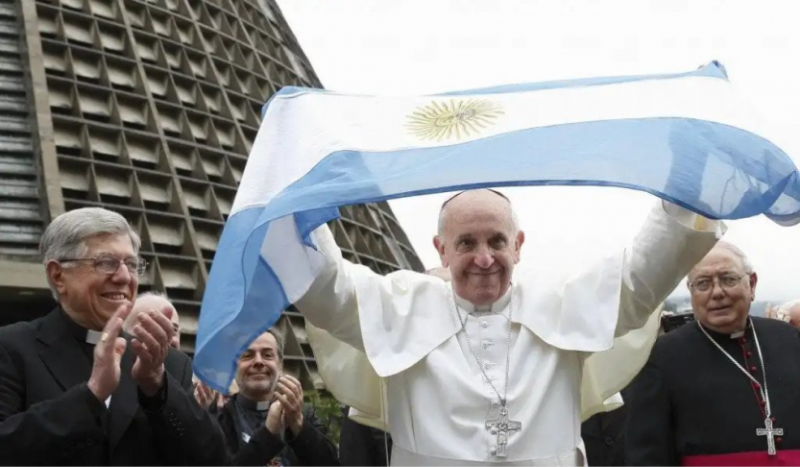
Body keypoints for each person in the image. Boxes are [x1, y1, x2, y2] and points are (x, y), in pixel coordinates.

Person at [297, 188, 724, 465]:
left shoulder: (561, 302)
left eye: (497, 241)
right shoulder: (401, 306)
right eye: (466, 243)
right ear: (441, 250)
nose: (484, 258)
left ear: (517, 246)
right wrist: (294, 204)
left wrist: (687, 188)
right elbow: (329, 290)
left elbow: (640, 279)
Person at [0, 207, 226, 465]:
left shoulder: (168, 363)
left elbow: (212, 459)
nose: (123, 277)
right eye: (105, 263)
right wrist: (92, 394)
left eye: (131, 264)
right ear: (58, 275)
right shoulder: (11, 348)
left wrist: (156, 385)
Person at [626, 242, 800, 465]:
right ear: (691, 292)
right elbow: (646, 456)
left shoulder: (790, 340)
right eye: (703, 283)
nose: (717, 292)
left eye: (728, 279)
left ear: (752, 284)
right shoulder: (663, 356)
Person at [215, 328, 339, 466]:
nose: (258, 361)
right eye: (247, 355)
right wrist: (268, 434)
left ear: (280, 365)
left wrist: (298, 425)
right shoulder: (219, 420)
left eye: (267, 355)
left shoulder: (305, 415)